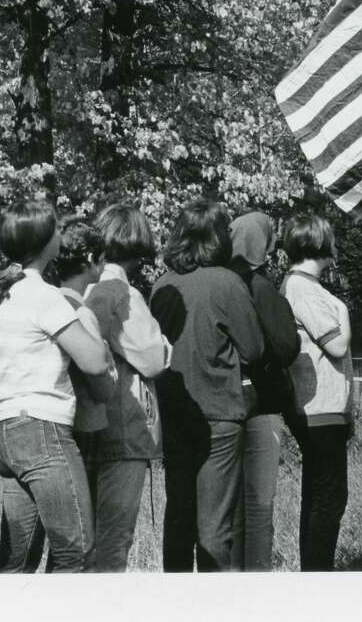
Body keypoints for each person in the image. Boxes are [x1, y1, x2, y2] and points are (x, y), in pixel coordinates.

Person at [0, 199, 112, 573]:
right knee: (77, 553)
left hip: (4, 428)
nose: (61, 234)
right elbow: (94, 361)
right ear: (42, 242)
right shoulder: (44, 296)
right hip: (42, 430)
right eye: (55, 229)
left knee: (17, 561)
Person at [150, 198, 264, 572]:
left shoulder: (161, 286)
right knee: (215, 529)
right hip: (219, 414)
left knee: (179, 521)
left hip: (173, 414)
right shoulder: (228, 283)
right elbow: (254, 348)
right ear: (218, 238)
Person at [82, 203, 171, 572]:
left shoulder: (85, 290)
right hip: (124, 426)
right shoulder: (123, 295)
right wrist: (167, 344)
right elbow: (152, 358)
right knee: (114, 543)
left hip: (90, 426)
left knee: (88, 541)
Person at [282, 213, 354, 572]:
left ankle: (313, 573)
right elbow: (338, 344)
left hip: (324, 407)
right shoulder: (303, 290)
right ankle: (317, 577)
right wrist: (342, 310)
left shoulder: (305, 287)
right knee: (329, 498)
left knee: (319, 496)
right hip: (318, 407)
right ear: (320, 245)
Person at [228, 211, 299, 571]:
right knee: (258, 506)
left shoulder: (220, 281)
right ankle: (256, 581)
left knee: (231, 507)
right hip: (260, 402)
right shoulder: (259, 286)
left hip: (223, 403)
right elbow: (287, 345)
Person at [48, 216, 117, 453]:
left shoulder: (51, 303)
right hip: (86, 423)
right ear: (90, 260)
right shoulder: (81, 313)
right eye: (102, 259)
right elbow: (102, 387)